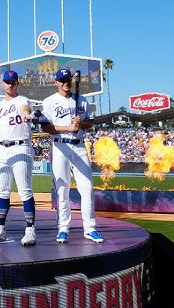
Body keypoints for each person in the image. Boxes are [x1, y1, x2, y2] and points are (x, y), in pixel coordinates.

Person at [39, 68, 104, 243]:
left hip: (80, 146)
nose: (65, 83)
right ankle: (63, 228)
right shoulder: (49, 101)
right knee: (62, 190)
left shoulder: (81, 100)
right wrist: (69, 127)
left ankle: (90, 228)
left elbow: (90, 122)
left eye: (67, 80)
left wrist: (80, 123)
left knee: (87, 188)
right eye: (62, 80)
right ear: (56, 82)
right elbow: (45, 127)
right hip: (60, 147)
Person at [0, 70, 37, 246]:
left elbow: (25, 109)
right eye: (7, 82)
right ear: (2, 84)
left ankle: (30, 230)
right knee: (2, 192)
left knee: (24, 190)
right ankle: (0, 230)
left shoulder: (22, 100)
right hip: (1, 150)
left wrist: (26, 115)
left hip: (20, 146)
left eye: (13, 82)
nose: (10, 84)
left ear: (17, 84)